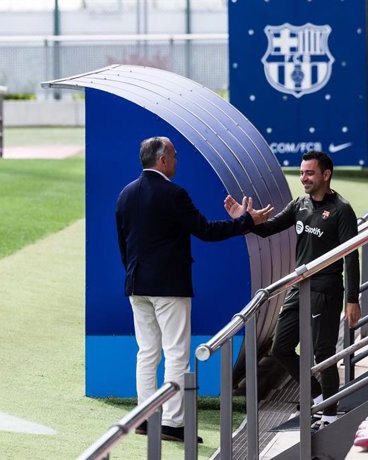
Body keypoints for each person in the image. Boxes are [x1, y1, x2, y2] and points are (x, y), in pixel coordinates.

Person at [115, 136, 273, 442]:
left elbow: (124, 246)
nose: (177, 160)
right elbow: (206, 231)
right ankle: (173, 422)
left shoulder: (125, 194)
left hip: (136, 285)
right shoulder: (174, 194)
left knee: (147, 352)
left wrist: (136, 275)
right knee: (176, 354)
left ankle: (145, 417)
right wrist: (245, 223)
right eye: (173, 155)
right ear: (162, 160)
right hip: (169, 287)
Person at [225, 151, 360, 430]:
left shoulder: (342, 210)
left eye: (309, 173)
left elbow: (351, 256)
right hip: (299, 287)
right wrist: (245, 220)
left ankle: (330, 417)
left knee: (324, 355)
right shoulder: (299, 204)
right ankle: (320, 397)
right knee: (281, 348)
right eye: (301, 173)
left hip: (327, 290)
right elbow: (268, 229)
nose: (304, 179)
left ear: (326, 174)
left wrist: (353, 299)